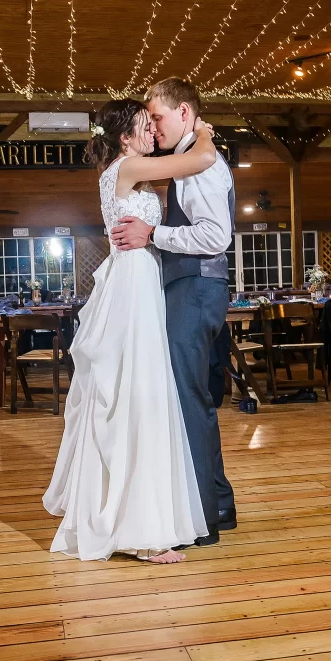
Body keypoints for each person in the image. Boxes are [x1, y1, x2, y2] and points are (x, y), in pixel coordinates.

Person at [43, 98, 216, 562]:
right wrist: (203, 129)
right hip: (133, 284)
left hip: (141, 279)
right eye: (145, 126)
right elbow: (201, 160)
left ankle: (139, 521)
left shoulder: (125, 170)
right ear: (124, 137)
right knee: (135, 395)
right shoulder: (127, 167)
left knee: (138, 395)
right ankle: (140, 531)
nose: (151, 133)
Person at [111, 78, 236, 547]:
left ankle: (201, 519)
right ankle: (218, 505)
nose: (154, 126)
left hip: (195, 288)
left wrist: (153, 236)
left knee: (188, 403)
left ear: (183, 112)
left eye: (158, 117)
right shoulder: (189, 160)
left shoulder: (202, 168)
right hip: (190, 288)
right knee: (192, 399)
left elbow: (213, 237)